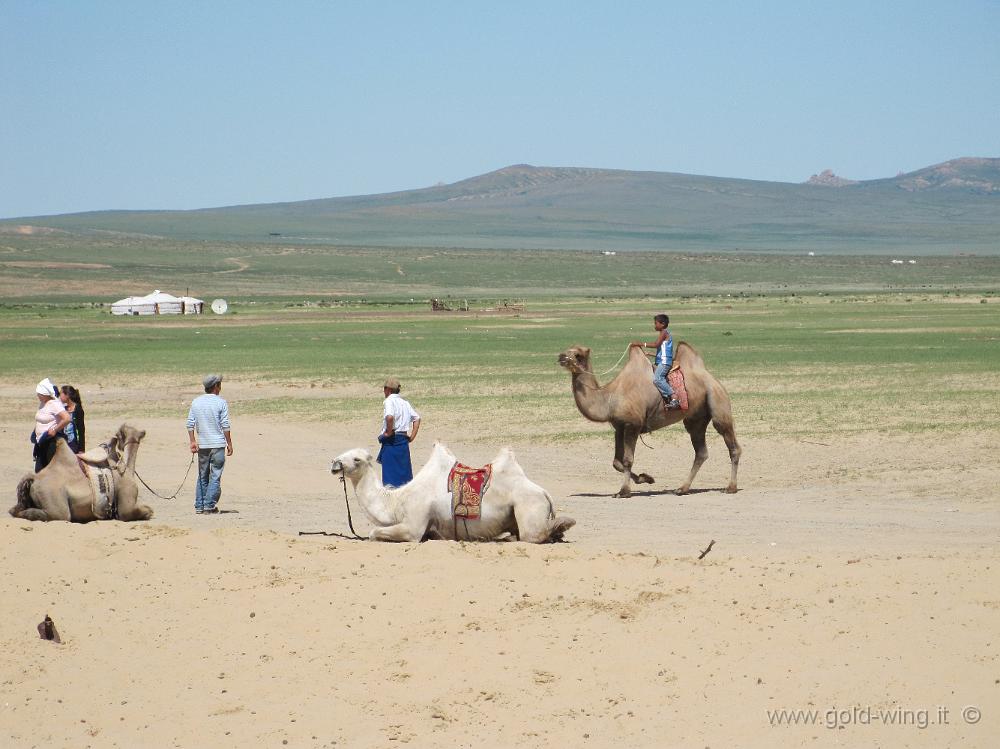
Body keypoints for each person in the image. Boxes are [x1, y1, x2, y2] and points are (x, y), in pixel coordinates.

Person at [186, 374, 233, 515]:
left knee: (202, 475)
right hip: (218, 444)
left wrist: (192, 441)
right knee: (215, 475)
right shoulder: (221, 402)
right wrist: (229, 444)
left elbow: (189, 424)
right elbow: (225, 425)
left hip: (203, 445)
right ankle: (209, 505)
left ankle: (199, 506)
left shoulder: (196, 402)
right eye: (219, 384)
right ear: (216, 387)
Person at [630, 313, 681, 410]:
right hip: (663, 360)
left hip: (665, 363)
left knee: (657, 379)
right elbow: (663, 350)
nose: (655, 325)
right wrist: (651, 354)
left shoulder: (664, 332)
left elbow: (656, 344)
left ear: (662, 324)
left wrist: (640, 343)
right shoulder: (664, 333)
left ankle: (674, 397)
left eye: (656, 323)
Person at [377, 377, 421, 488]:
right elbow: (417, 419)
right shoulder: (405, 403)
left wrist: (388, 432)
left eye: (384, 389)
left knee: (390, 481)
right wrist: (411, 437)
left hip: (392, 441)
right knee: (404, 479)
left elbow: (390, 417)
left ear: (388, 390)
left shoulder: (389, 401)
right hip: (403, 442)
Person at [31, 377, 71, 472]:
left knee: (51, 470)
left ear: (45, 394)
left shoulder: (54, 404)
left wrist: (55, 429)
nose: (38, 395)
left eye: (39, 394)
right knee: (39, 471)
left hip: (51, 442)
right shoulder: (43, 403)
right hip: (41, 442)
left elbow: (67, 418)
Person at [59, 385, 86, 453]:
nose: (60, 397)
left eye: (61, 394)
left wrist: (81, 449)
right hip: (64, 443)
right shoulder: (63, 409)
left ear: (67, 395)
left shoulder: (78, 409)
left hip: (74, 443)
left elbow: (81, 430)